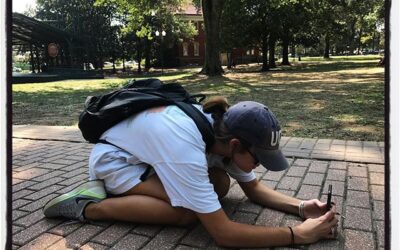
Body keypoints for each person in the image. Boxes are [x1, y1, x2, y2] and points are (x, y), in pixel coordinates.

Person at [43, 97, 338, 248]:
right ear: (235, 145)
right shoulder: (186, 146)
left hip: (149, 158)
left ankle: (124, 196)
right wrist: (295, 236)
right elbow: (223, 234)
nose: (259, 166)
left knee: (220, 183)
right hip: (117, 162)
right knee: (186, 214)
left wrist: (300, 207)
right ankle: (90, 206)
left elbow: (254, 189)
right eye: (258, 159)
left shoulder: (225, 130)